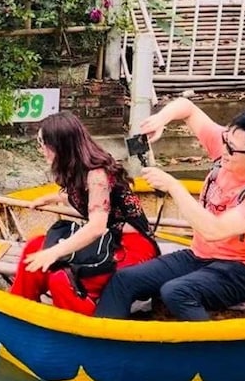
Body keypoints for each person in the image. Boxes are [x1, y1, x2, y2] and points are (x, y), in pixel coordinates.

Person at [95, 99, 245, 321]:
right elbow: (187, 107)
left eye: (231, 149)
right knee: (124, 280)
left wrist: (173, 187)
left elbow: (214, 230)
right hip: (200, 255)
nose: (223, 149)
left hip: (243, 270)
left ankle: (211, 352)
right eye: (225, 140)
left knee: (176, 292)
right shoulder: (232, 147)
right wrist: (161, 120)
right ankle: (104, 346)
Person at [9, 112, 160, 315]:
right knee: (34, 248)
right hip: (106, 241)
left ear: (61, 146)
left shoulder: (97, 174)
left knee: (62, 279)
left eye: (44, 143)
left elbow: (97, 226)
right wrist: (51, 198)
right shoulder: (79, 168)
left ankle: (86, 327)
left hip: (132, 247)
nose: (42, 150)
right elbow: (85, 197)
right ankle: (20, 308)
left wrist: (54, 252)